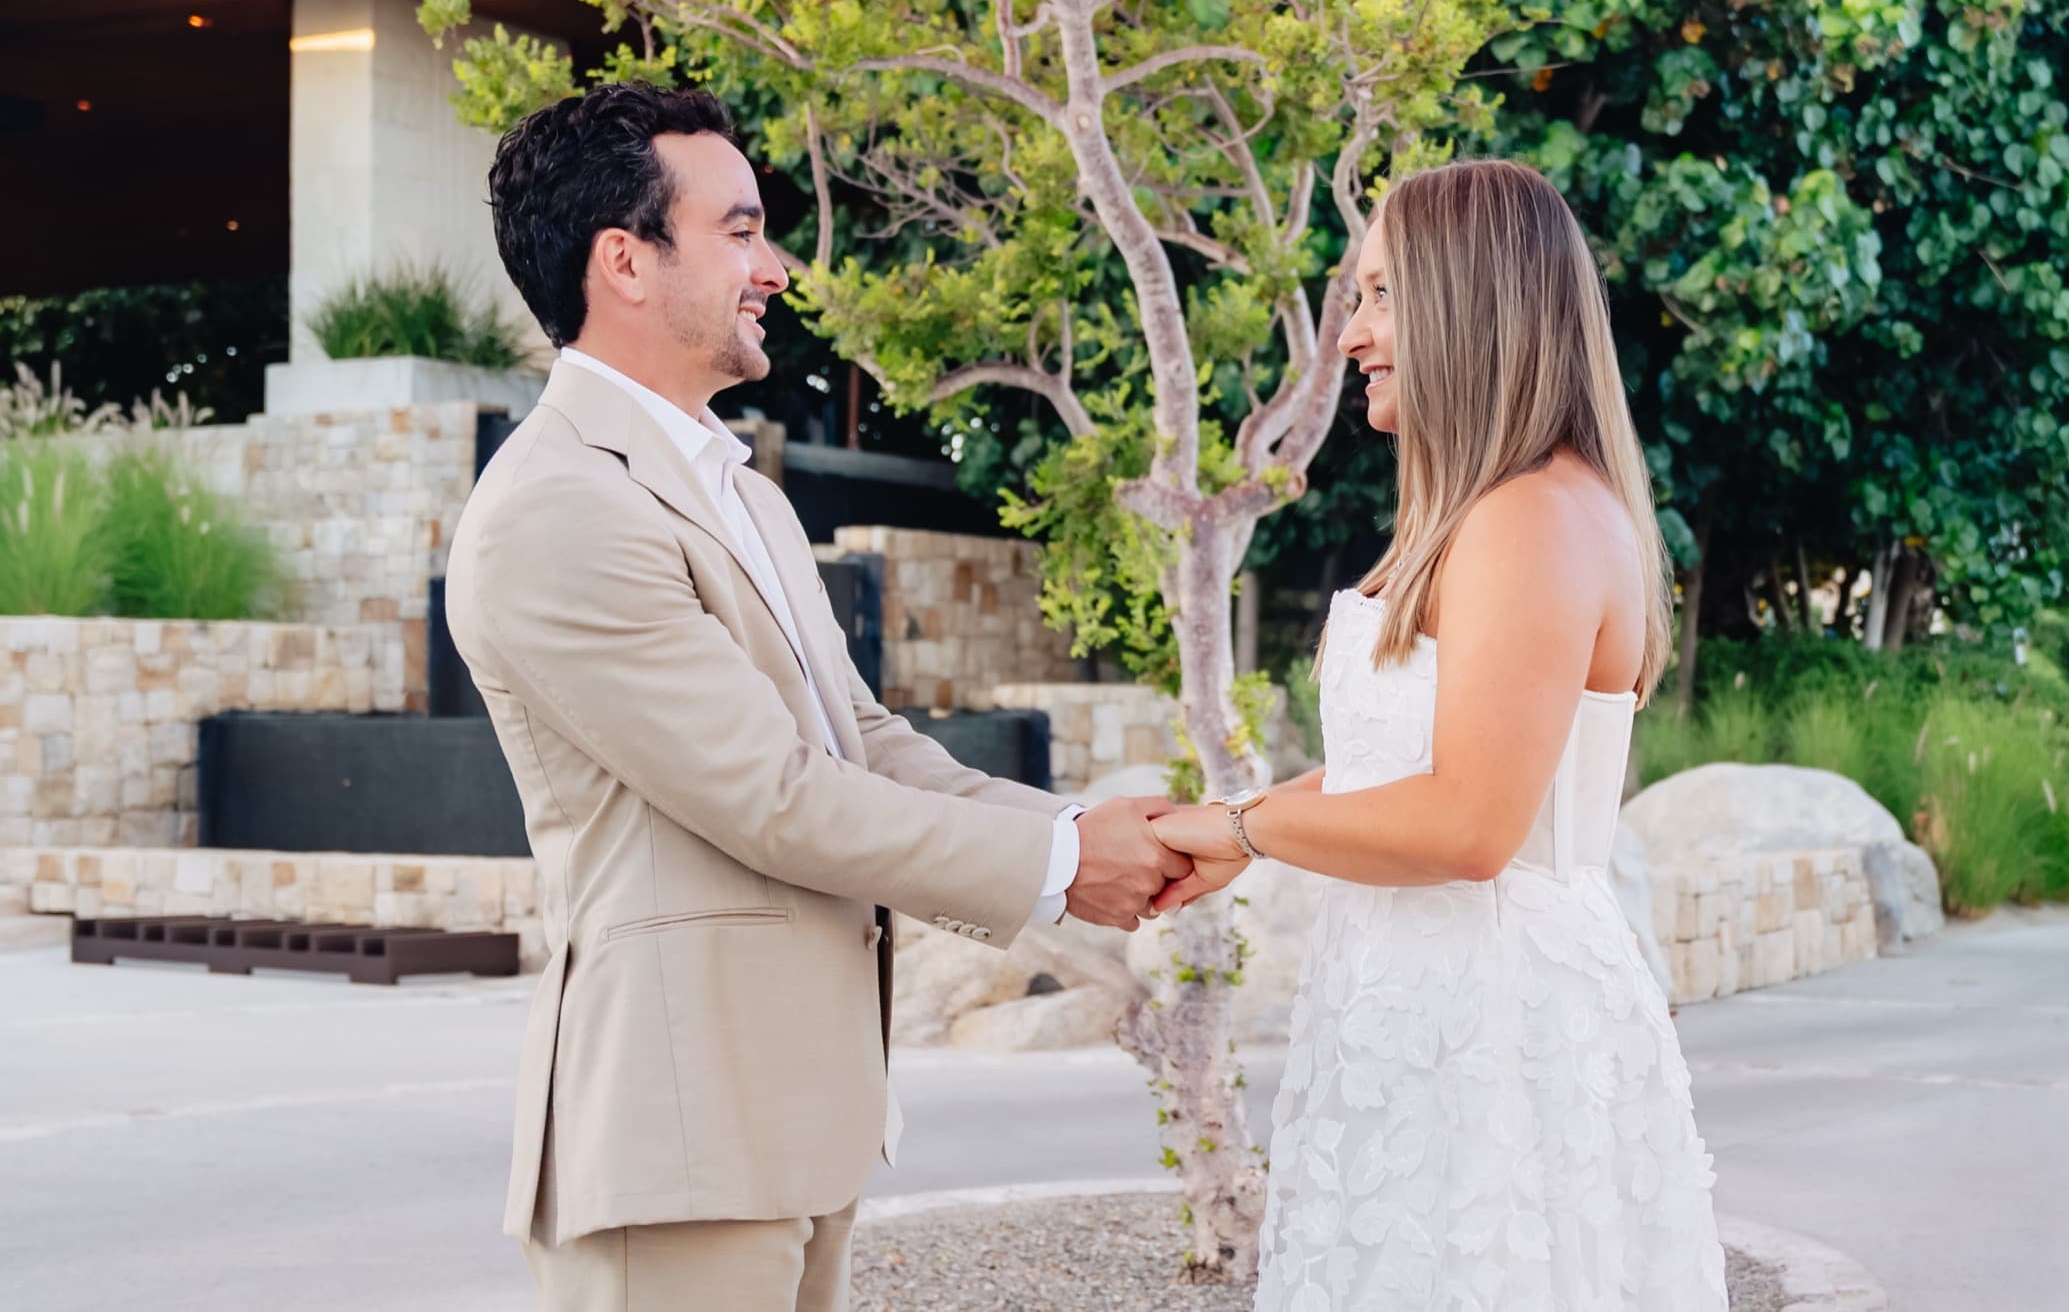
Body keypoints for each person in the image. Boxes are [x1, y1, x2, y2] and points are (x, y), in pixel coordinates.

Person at [443, 82, 1193, 1312]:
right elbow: (776, 800)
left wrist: (1086, 833)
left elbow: (867, 746)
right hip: (678, 1140)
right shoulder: (558, 508)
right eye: (739, 231)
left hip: (788, 1121)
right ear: (624, 263)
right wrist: (1064, 869)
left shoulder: (741, 493)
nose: (775, 267)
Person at [1152, 160, 1729, 1309]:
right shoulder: (1492, 510)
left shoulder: (1531, 517)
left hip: (1492, 1023)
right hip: (1418, 1002)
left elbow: (1469, 821)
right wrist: (1231, 836)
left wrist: (1241, 825)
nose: (1352, 334)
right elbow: (1398, 769)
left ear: (1471, 299)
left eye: (1380, 295)